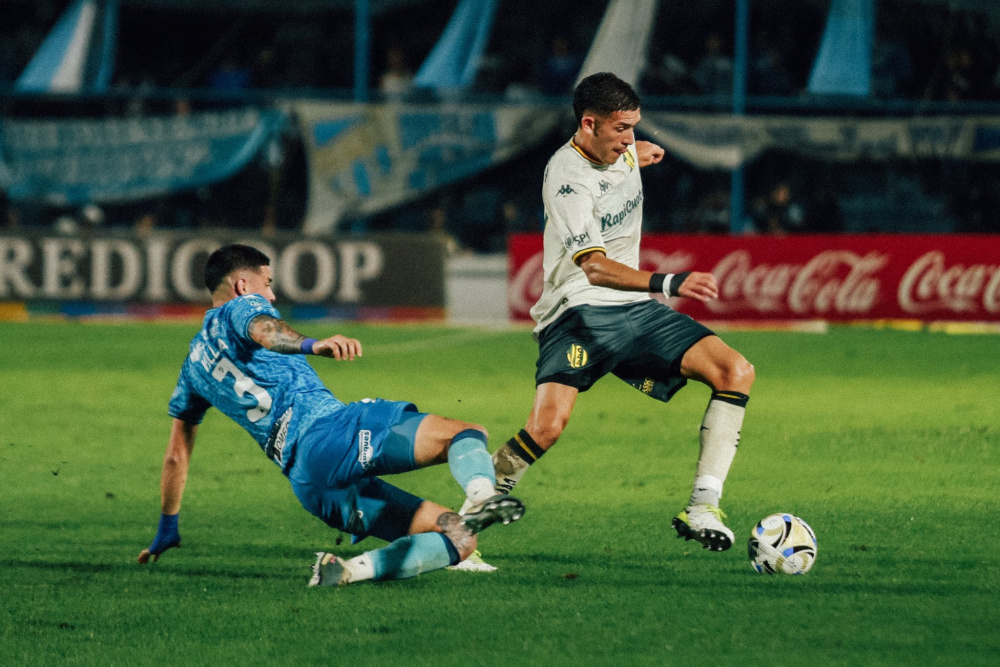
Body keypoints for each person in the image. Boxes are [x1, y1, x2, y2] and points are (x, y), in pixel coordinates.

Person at [461, 72, 754, 554]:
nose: (630, 139)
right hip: (577, 312)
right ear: (589, 124)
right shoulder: (566, 179)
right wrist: (670, 283)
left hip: (633, 310)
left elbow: (622, 161)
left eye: (634, 128)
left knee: (735, 370)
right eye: (621, 129)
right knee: (546, 428)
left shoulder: (620, 151)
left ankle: (703, 505)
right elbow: (595, 268)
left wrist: (636, 154)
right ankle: (466, 519)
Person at [137, 244, 524, 585]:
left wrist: (167, 528)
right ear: (242, 284)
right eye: (267, 283)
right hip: (330, 433)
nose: (271, 294)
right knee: (466, 433)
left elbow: (176, 455)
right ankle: (485, 496)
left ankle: (349, 571)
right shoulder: (242, 307)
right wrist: (312, 344)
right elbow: (266, 329)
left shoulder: (193, 369)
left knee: (460, 538)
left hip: (310, 484)